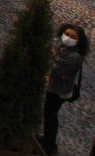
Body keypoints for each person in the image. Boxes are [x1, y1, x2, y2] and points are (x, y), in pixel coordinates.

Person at [41, 24, 88, 156]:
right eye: (67, 34)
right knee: (48, 113)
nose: (68, 38)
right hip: (53, 86)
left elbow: (57, 69)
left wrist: (51, 58)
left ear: (78, 41)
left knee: (51, 115)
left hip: (59, 91)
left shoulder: (75, 57)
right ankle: (47, 139)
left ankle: (49, 143)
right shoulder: (61, 48)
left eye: (73, 37)